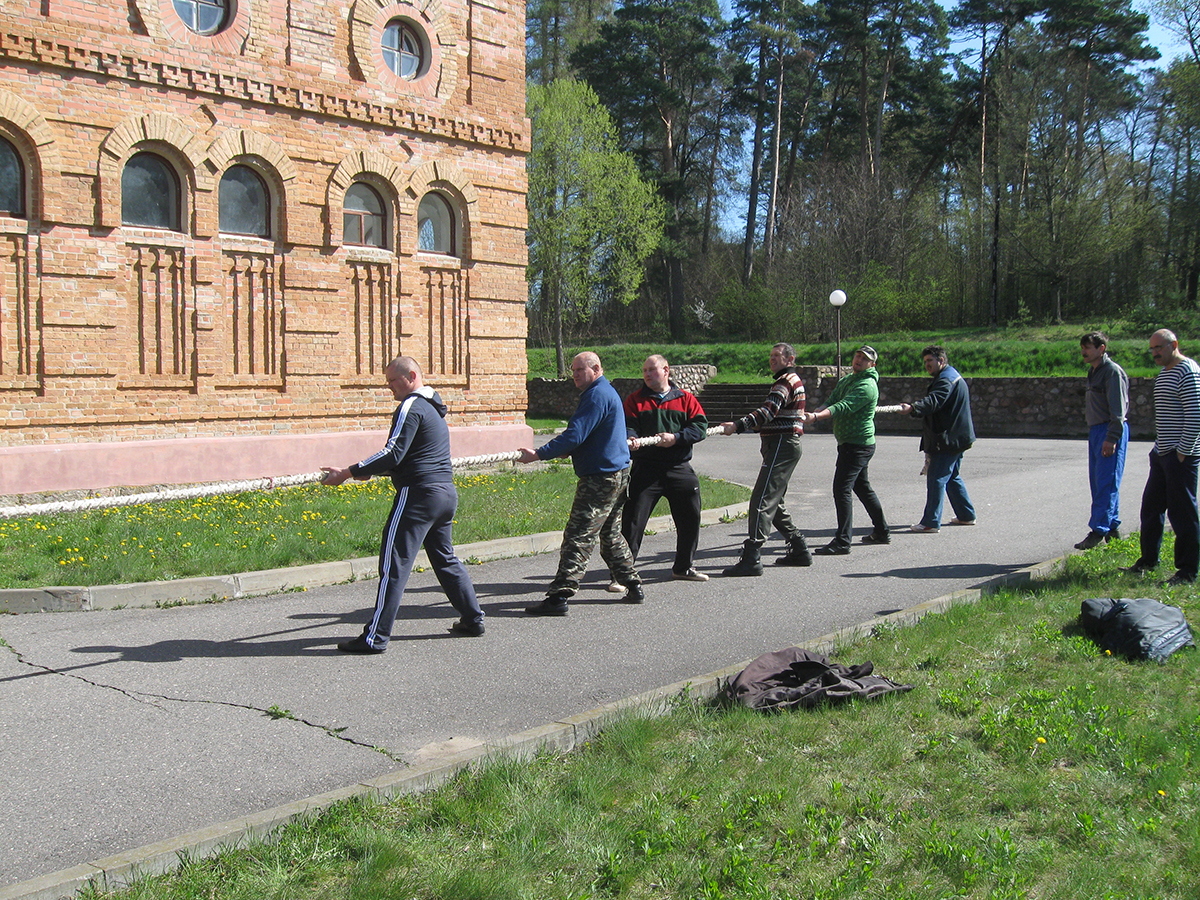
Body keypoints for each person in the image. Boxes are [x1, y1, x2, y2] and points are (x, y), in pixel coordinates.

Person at [319, 356, 484, 654]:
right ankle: (473, 619)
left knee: (393, 565)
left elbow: (393, 452)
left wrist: (347, 472)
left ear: (411, 376)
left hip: (418, 496)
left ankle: (375, 637)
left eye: (392, 381)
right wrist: (368, 471)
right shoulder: (433, 409)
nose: (390, 388)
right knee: (445, 558)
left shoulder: (411, 405)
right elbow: (411, 456)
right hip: (444, 494)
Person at [517, 351, 644, 614]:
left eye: (579, 370)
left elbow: (575, 434)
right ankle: (633, 584)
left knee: (579, 535)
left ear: (596, 369)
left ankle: (559, 596)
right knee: (609, 534)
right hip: (617, 474)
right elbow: (591, 435)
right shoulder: (604, 392)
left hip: (601, 478)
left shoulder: (597, 395)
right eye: (573, 370)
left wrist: (538, 454)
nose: (574, 375)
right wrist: (570, 449)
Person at [718, 342, 811, 575]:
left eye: (777, 355)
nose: (772, 359)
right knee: (774, 502)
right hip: (780, 445)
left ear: (790, 359)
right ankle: (799, 548)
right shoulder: (787, 381)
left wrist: (737, 425)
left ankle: (752, 556)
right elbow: (772, 414)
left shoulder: (785, 381)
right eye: (771, 356)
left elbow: (767, 412)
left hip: (782, 444)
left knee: (761, 499)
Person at [621, 354, 710, 581]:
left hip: (678, 467)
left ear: (666, 370)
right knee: (633, 522)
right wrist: (631, 437)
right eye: (644, 371)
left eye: (652, 369)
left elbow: (700, 427)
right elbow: (627, 425)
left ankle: (683, 567)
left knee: (690, 518)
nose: (647, 374)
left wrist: (676, 438)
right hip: (646, 469)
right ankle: (622, 573)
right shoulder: (634, 400)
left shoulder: (686, 399)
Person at [1126, 329, 1200, 585]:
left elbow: (1195, 414)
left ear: (1174, 344)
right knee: (1151, 508)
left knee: (1182, 513)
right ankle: (1148, 561)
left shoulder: (1188, 371)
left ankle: (1187, 572)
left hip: (1180, 456)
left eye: (1159, 347)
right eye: (1152, 348)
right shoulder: (1166, 372)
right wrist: (1160, 450)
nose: (1155, 352)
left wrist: (1182, 451)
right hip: (1162, 453)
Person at [802, 345, 889, 554]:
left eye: (864, 359)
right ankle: (882, 531)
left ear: (872, 364)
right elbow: (833, 400)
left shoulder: (867, 386)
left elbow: (843, 406)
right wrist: (818, 410)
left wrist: (816, 417)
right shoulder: (848, 380)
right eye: (857, 356)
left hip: (858, 446)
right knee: (862, 487)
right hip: (849, 444)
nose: (859, 360)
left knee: (841, 489)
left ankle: (842, 541)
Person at [899, 345, 977, 533]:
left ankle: (930, 522)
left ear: (941, 360)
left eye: (930, 361)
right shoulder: (950, 375)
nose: (927, 364)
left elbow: (935, 400)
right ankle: (966, 515)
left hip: (948, 439)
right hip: (957, 437)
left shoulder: (946, 380)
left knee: (936, 478)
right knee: (951, 476)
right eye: (925, 361)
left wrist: (913, 408)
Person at [1076, 331, 1130, 550]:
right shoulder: (1093, 371)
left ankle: (1098, 530)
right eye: (1082, 348)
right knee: (1099, 482)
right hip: (1096, 430)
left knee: (1107, 482)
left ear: (1101, 349)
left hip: (1109, 430)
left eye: (1088, 348)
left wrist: (1112, 437)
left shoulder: (1111, 372)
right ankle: (1112, 528)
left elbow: (1118, 410)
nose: (1084, 352)